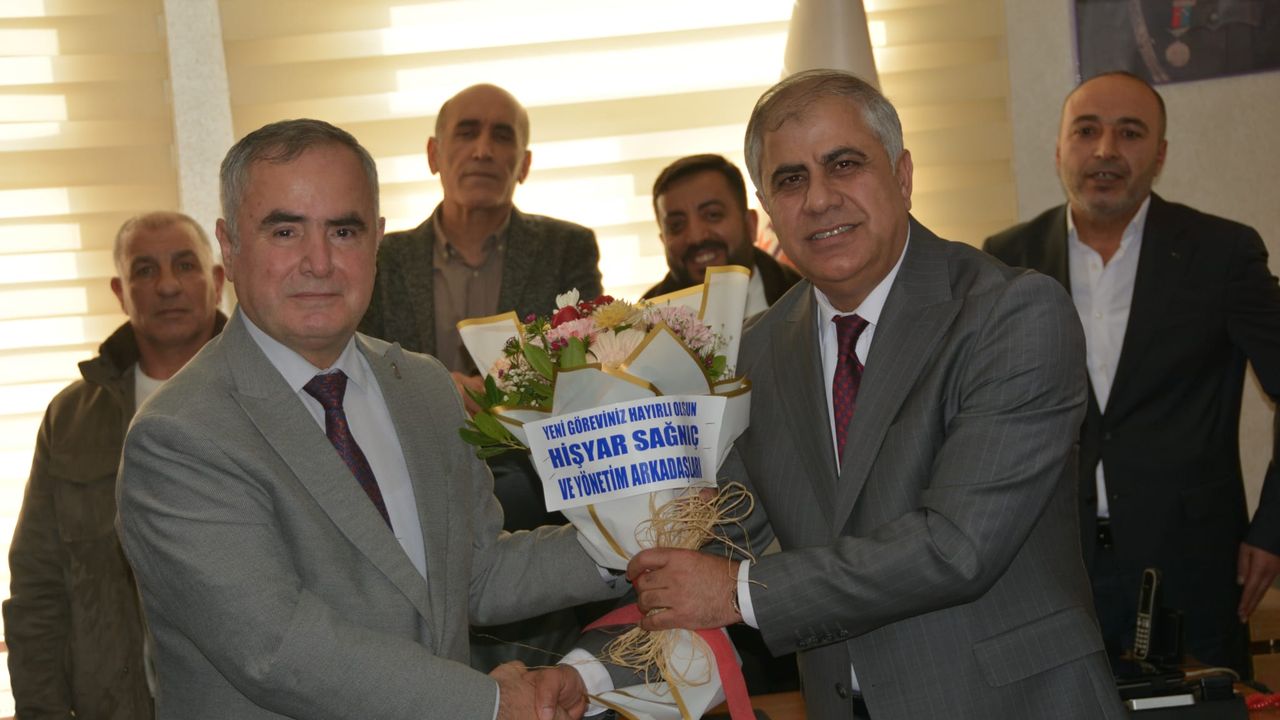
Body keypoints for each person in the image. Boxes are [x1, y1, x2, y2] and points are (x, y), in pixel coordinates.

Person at [607, 69, 1125, 719]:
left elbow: (958, 547)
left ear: (902, 176)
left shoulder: (1012, 314)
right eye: (790, 179)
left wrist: (739, 592)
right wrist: (589, 659)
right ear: (767, 208)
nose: (819, 199)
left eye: (844, 164)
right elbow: (728, 536)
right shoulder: (755, 350)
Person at [114, 119, 624, 719]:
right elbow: (277, 648)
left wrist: (629, 539)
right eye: (285, 231)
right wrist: (490, 703)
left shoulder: (424, 387)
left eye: (344, 230)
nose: (319, 262)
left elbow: (474, 572)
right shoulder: (179, 435)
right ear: (230, 246)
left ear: (377, 239)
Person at [984, 71, 1280, 676]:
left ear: (1160, 154)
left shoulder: (1222, 253)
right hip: (1052, 569)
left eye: (1129, 133)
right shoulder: (1005, 260)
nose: (1105, 150)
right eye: (1086, 131)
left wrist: (1272, 530)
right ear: (1059, 150)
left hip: (1193, 568)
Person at [358, 83, 601, 667]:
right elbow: (361, 366)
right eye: (466, 132)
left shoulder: (566, 247)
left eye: (502, 136)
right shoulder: (380, 257)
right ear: (434, 154)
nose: (484, 150)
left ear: (525, 163)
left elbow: (583, 365)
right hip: (410, 484)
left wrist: (498, 396)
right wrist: (437, 387)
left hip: (530, 483)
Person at [4, 211, 226, 719]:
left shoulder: (271, 395)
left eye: (185, 265)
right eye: (144, 270)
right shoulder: (72, 418)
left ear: (217, 281)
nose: (167, 285)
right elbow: (37, 586)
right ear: (120, 292)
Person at [642, 154, 800, 316]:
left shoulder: (806, 297)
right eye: (676, 225)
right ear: (663, 241)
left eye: (712, 215)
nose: (696, 237)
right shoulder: (641, 323)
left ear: (750, 224)